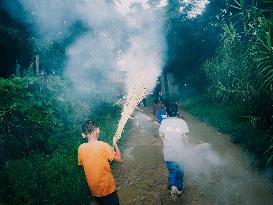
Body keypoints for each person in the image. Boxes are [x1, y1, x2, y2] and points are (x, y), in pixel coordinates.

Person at [78, 120, 123, 205]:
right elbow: (120, 160)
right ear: (97, 130)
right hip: (107, 189)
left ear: (84, 135)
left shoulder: (81, 148)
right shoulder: (104, 145)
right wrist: (115, 143)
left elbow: (85, 163)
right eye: (98, 129)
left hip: (94, 191)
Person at [159, 105, 189, 199]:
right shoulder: (182, 122)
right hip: (180, 152)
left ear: (167, 113)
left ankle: (173, 186)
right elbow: (185, 138)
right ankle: (179, 189)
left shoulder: (164, 122)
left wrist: (166, 144)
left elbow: (161, 136)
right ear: (177, 112)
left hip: (169, 152)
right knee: (180, 171)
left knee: (172, 171)